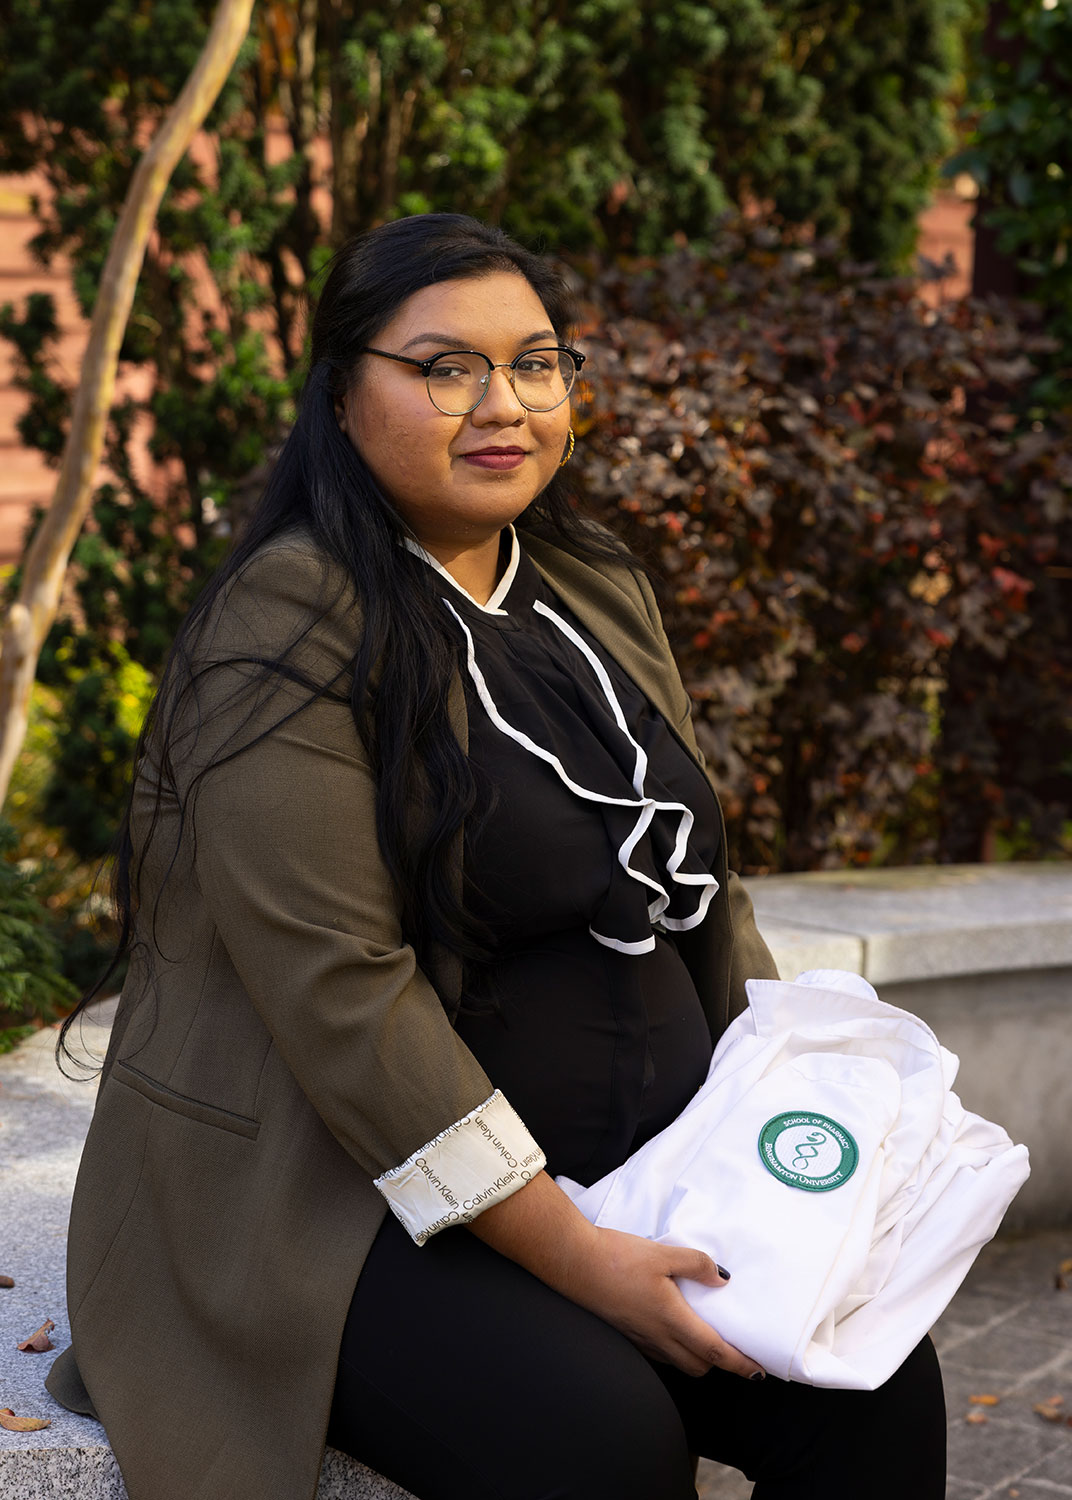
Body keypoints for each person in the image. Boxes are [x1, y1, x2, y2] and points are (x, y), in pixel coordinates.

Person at [48, 213, 946, 1500]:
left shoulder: (591, 581)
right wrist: (580, 1258)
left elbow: (703, 891)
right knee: (599, 1440)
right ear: (343, 398)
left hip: (635, 1173)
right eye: (444, 367)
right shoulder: (290, 619)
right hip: (343, 1206)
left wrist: (782, 1124)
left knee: (872, 1387)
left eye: (535, 362)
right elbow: (337, 990)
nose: (503, 403)